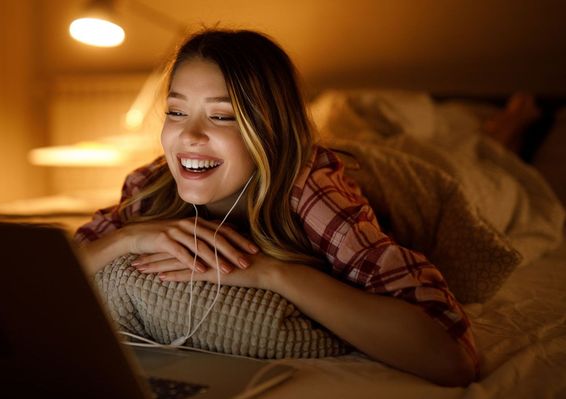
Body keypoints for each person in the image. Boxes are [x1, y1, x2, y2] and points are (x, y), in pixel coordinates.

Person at [75, 28, 477, 387]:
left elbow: (451, 360)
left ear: (269, 129)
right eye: (176, 112)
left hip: (392, 183)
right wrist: (127, 239)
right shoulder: (152, 183)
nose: (189, 135)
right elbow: (48, 277)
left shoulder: (309, 190)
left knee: (473, 161)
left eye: (222, 116)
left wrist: (272, 274)